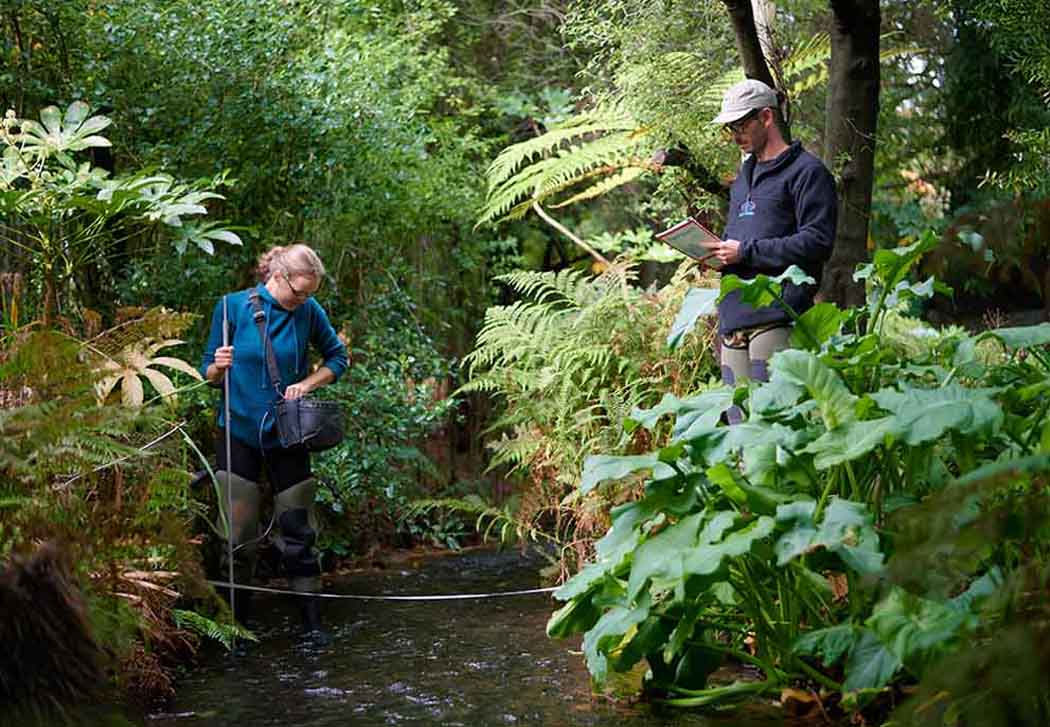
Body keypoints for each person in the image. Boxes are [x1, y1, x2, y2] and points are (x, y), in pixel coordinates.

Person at [200, 243, 348, 643]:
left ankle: (313, 628)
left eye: (310, 294)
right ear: (278, 277)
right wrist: (218, 366)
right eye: (299, 292)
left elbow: (337, 359)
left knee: (298, 531)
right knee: (235, 536)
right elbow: (207, 372)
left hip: (289, 434)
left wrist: (307, 383)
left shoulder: (308, 312)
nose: (304, 300)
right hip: (238, 431)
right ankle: (234, 630)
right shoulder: (231, 307)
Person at [706, 79, 837, 423]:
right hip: (733, 321)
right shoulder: (744, 175)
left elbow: (818, 241)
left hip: (776, 319)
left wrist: (746, 252)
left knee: (773, 429)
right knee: (737, 429)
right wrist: (716, 253)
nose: (735, 134)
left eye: (740, 125)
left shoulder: (808, 173)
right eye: (729, 128)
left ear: (766, 117)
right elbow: (738, 237)